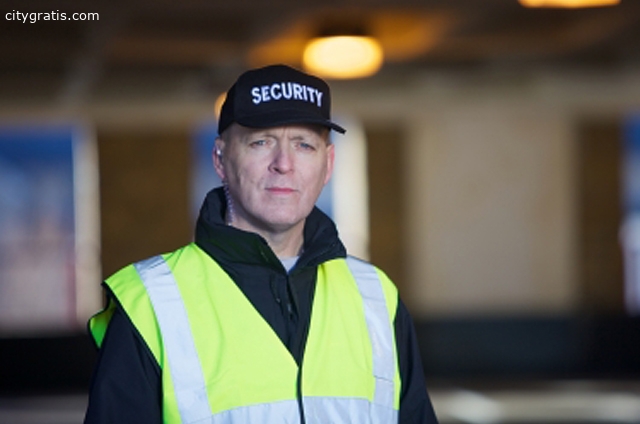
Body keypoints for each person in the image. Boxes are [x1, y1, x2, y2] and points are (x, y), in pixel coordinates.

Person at [84, 64, 439, 424]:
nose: (283, 164)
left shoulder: (376, 298)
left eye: (304, 144)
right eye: (261, 142)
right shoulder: (150, 302)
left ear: (328, 163)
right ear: (221, 159)